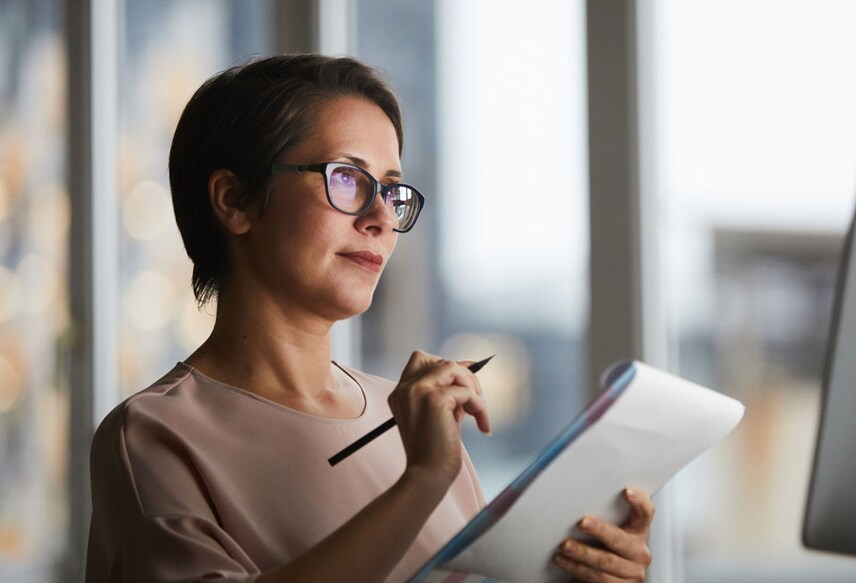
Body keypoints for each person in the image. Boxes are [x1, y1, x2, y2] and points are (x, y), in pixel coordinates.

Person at [85, 54, 655, 583]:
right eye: (347, 179)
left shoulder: (411, 417)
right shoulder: (153, 437)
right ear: (234, 200)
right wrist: (423, 479)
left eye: (391, 189)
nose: (382, 216)